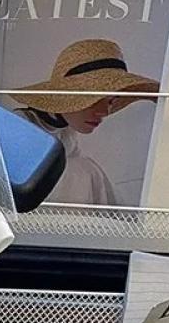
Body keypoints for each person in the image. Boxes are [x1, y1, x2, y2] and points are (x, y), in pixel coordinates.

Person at [12, 39, 159, 206]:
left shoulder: (70, 141)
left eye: (111, 101)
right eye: (94, 99)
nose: (104, 112)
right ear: (65, 97)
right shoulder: (17, 131)